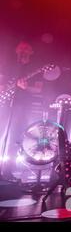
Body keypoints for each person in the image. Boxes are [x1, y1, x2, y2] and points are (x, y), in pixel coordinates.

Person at [0, 41, 44, 180]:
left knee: (15, 137)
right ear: (16, 50)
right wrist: (5, 87)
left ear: (31, 52)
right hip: (5, 104)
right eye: (21, 47)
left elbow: (38, 88)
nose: (23, 50)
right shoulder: (8, 65)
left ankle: (8, 170)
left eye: (26, 48)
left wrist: (25, 87)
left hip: (22, 105)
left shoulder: (36, 68)